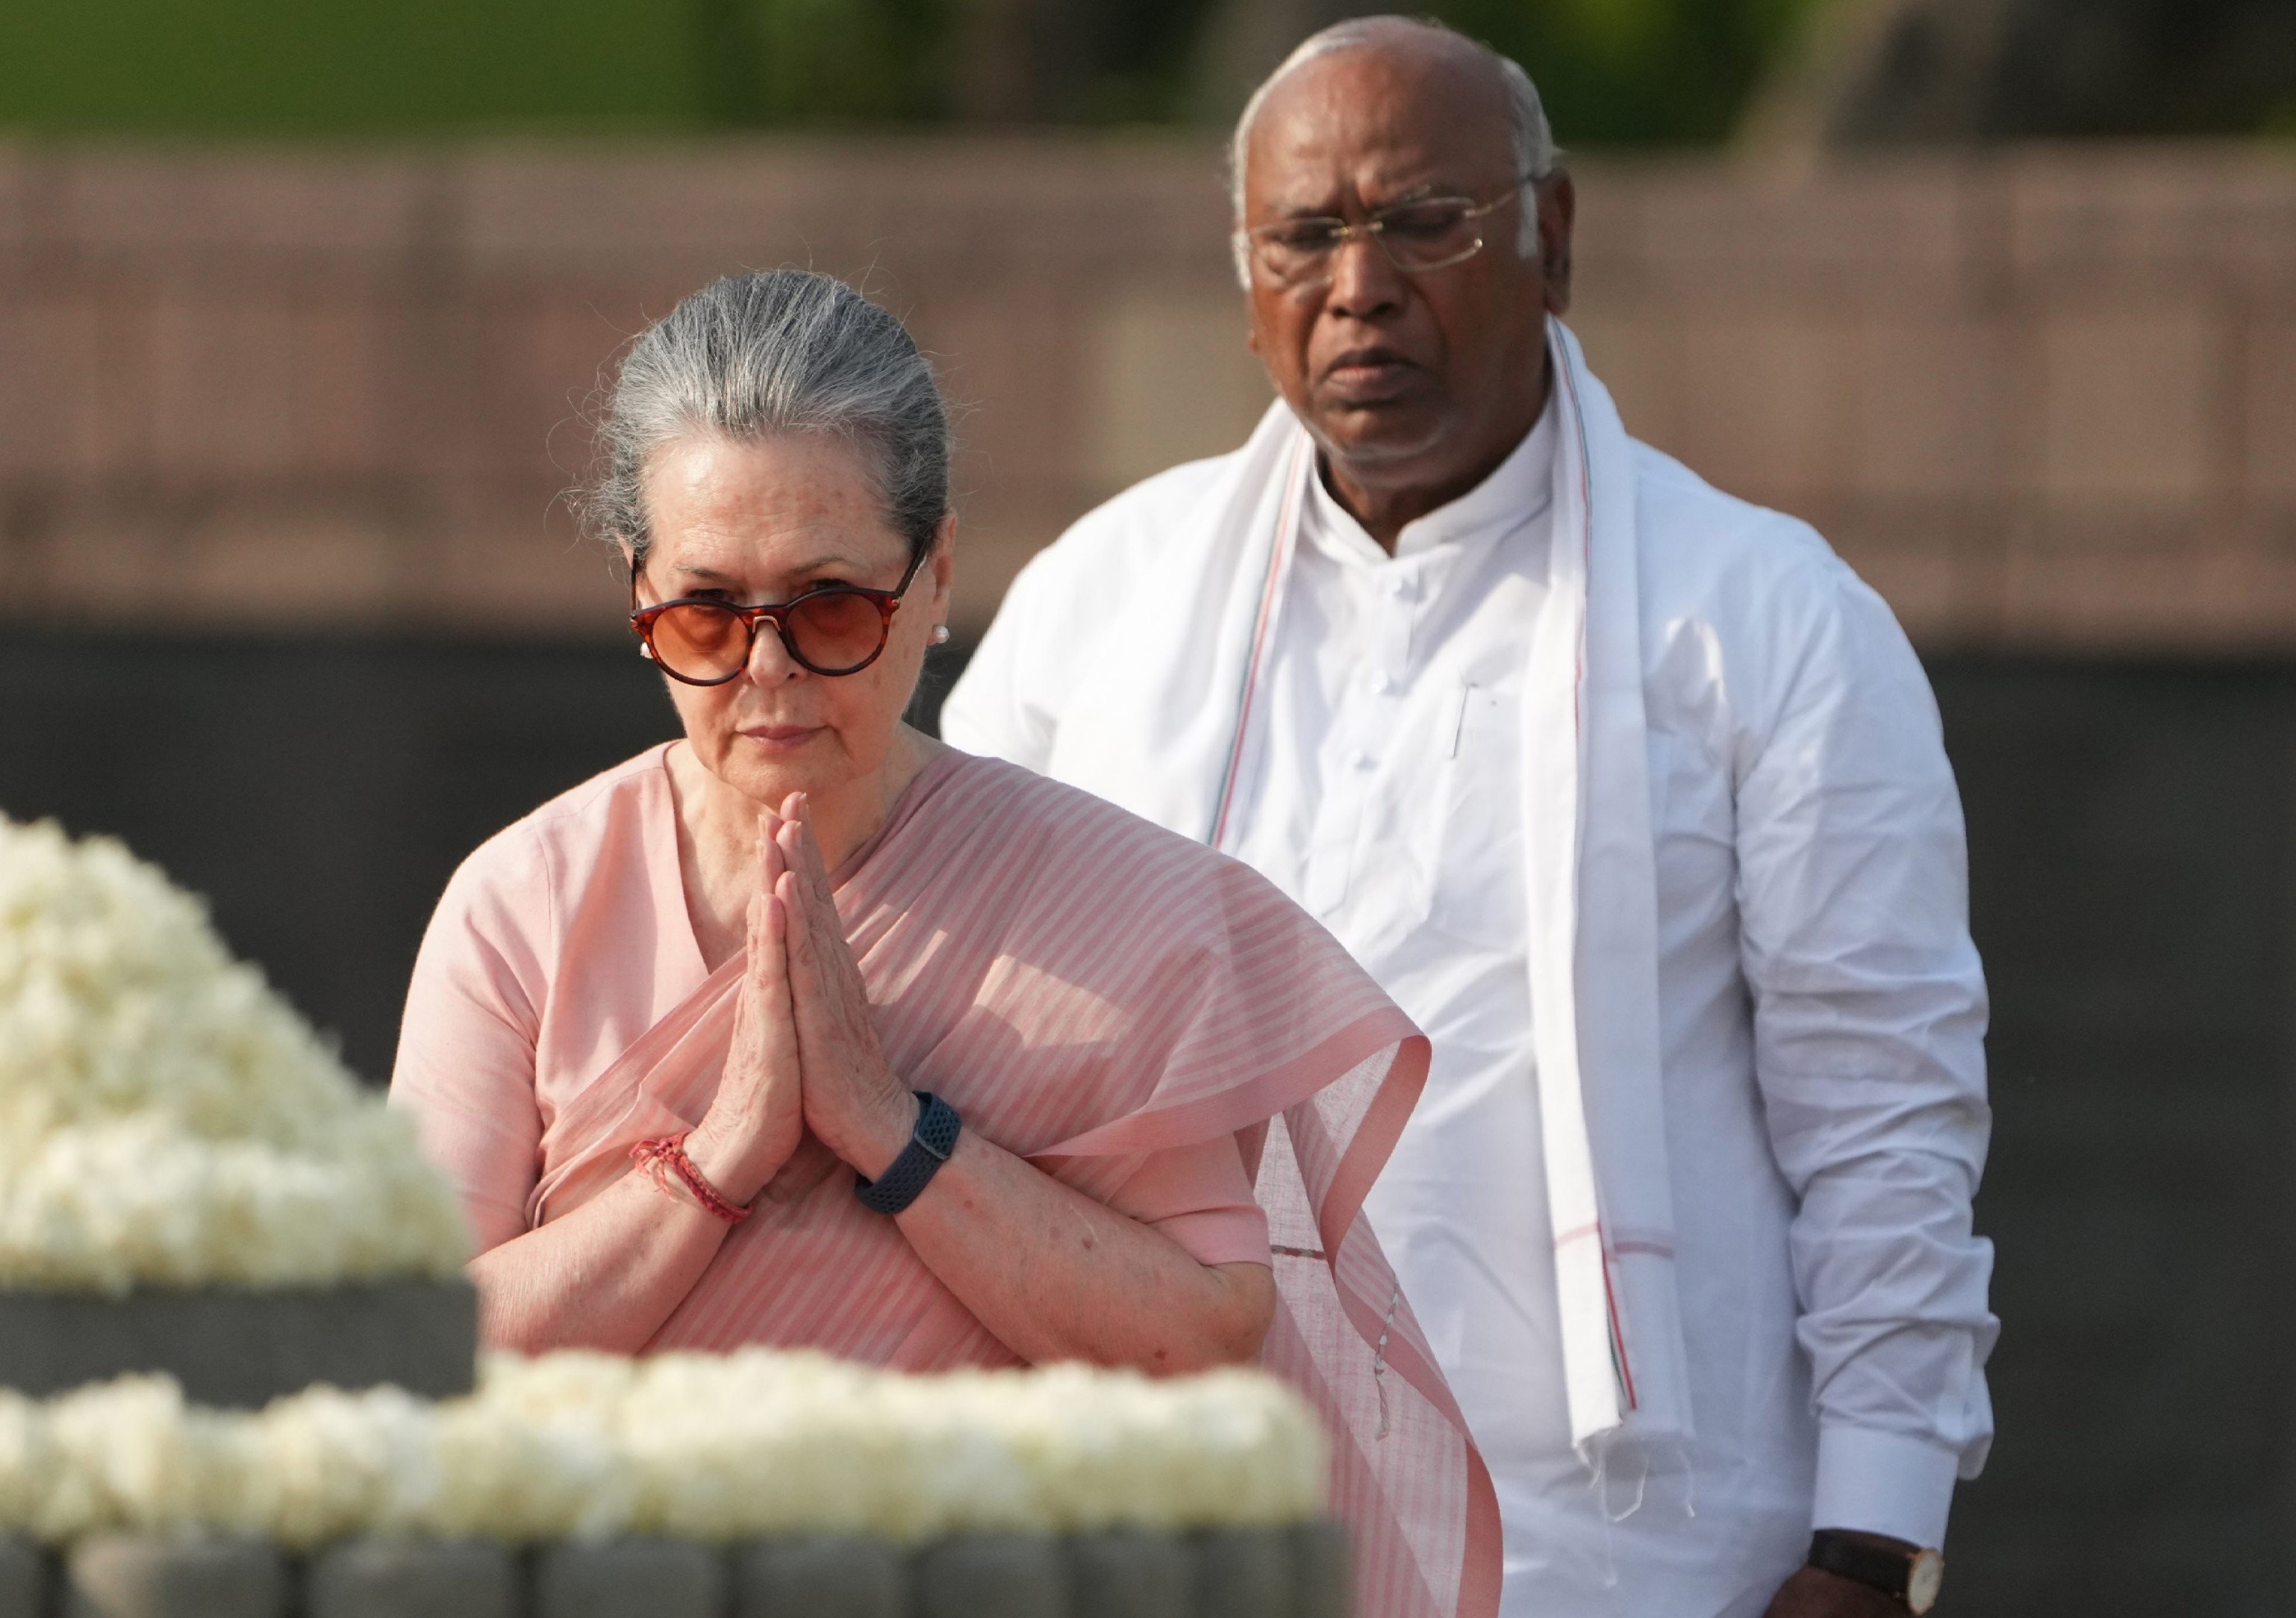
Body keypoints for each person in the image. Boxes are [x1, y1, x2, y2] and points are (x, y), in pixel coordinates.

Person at [943, 19, 1994, 1618]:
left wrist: (1871, 1544)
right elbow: (959, 1062)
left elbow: (1885, 1117)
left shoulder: (1764, 620)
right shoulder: (1103, 606)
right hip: (1179, 1527)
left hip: (1629, 1549)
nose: (1358, 284)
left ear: (1551, 238)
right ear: (1247, 289)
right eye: (1304, 235)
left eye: (1422, 222)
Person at [391, 268, 1499, 1617]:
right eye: (705, 616)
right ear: (639, 602)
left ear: (938, 579)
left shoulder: (1101, 904)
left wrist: (890, 1130)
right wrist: (720, 1161)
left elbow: (1205, 1336)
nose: (769, 673)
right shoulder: (524, 905)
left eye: (831, 607)